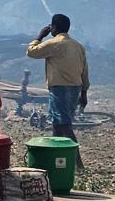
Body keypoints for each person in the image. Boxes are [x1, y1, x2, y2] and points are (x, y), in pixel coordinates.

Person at [27, 13, 89, 164]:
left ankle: (77, 162)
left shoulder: (54, 43)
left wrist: (40, 36)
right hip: (75, 88)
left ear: (53, 28)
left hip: (60, 88)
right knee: (57, 123)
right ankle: (57, 159)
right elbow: (84, 71)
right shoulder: (78, 46)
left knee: (65, 125)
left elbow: (31, 51)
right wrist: (84, 93)